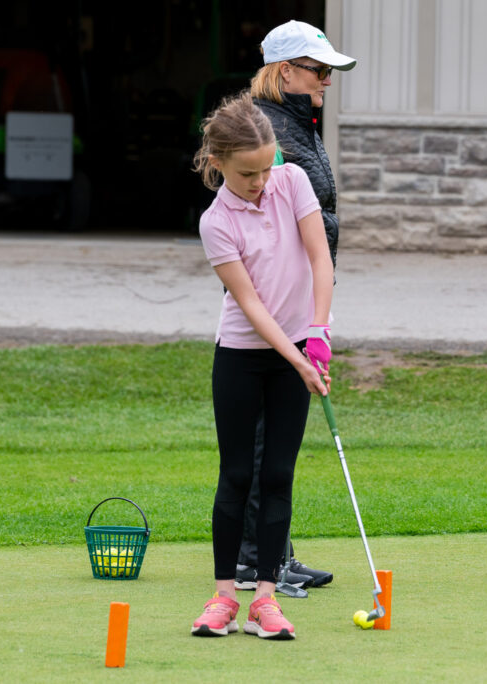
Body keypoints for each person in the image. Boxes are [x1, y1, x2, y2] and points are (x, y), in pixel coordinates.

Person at [190, 91, 334, 639]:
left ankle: (267, 601)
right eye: (248, 172)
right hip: (242, 358)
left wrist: (317, 330)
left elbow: (320, 256)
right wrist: (297, 357)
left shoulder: (292, 180)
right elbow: (250, 303)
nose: (261, 181)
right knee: (237, 476)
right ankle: (225, 597)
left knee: (278, 475)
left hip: (299, 346)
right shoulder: (215, 222)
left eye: (267, 166)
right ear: (218, 162)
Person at [230, 20, 357, 592]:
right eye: (320, 70)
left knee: (276, 437)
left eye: (331, 72)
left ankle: (272, 552)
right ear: (286, 72)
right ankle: (257, 560)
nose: (327, 83)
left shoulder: (295, 121)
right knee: (265, 440)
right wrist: (302, 319)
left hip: (299, 303)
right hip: (275, 308)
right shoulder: (268, 132)